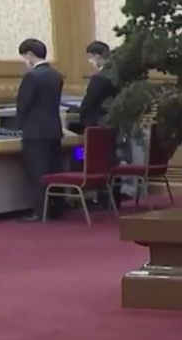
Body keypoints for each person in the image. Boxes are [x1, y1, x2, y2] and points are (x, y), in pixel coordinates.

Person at [15, 38, 66, 221]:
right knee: (54, 169)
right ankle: (57, 208)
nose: (24, 62)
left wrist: (17, 126)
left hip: (35, 132)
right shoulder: (56, 75)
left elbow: (23, 104)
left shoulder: (32, 77)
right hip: (54, 129)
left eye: (24, 57)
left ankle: (40, 212)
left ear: (29, 54)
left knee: (38, 172)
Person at [74, 41, 117, 133]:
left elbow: (90, 101)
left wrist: (81, 114)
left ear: (97, 56)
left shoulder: (100, 77)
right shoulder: (117, 72)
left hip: (99, 121)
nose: (90, 61)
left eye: (90, 57)